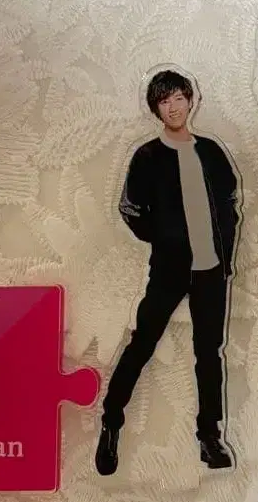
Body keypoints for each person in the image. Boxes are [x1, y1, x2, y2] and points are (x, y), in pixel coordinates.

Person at [95, 68, 241, 475]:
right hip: (169, 270)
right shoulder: (147, 156)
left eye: (179, 98)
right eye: (164, 101)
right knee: (142, 343)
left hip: (211, 269)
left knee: (209, 352)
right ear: (155, 109)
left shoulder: (210, 151)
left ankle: (209, 435)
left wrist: (225, 254)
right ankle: (110, 422)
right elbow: (130, 209)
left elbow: (230, 201)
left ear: (191, 100)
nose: (173, 107)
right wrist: (164, 238)